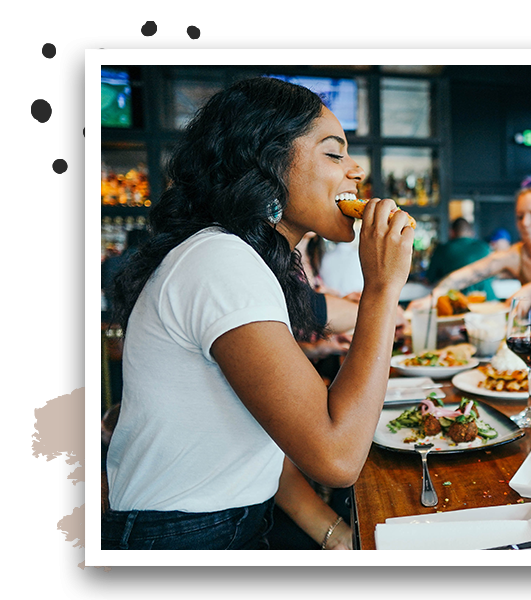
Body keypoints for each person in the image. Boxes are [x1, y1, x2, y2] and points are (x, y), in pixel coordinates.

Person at [102, 76, 413, 550]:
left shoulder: (242, 259)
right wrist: (383, 289)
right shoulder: (220, 262)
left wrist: (335, 536)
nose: (355, 170)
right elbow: (337, 456)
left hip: (230, 522)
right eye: (334, 153)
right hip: (179, 538)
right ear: (267, 164)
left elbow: (262, 436)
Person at [409, 175, 531, 309]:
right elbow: (468, 274)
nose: (525, 223)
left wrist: (527, 291)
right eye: (520, 216)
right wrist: (433, 298)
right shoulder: (516, 255)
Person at [425, 217, 497, 300]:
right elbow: (494, 275)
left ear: (451, 232)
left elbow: (429, 280)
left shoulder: (442, 249)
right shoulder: (485, 247)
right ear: (470, 232)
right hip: (489, 301)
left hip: (458, 303)